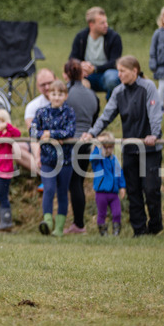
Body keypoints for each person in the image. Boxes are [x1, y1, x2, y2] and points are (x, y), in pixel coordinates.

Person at [81, 56, 163, 237]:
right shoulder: (118, 92)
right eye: (118, 71)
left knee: (150, 189)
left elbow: (155, 112)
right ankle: (139, 230)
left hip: (149, 149)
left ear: (134, 70)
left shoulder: (148, 87)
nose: (119, 75)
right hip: (130, 149)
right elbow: (106, 115)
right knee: (133, 190)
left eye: (122, 71)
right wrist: (92, 133)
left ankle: (155, 225)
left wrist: (154, 134)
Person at [30, 80, 76, 237]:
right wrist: (44, 135)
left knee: (63, 192)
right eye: (54, 94)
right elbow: (33, 130)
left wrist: (51, 134)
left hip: (66, 160)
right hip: (47, 160)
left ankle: (60, 228)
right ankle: (48, 221)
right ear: (48, 95)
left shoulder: (69, 113)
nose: (56, 97)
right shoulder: (41, 112)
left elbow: (69, 131)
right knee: (48, 189)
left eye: (60, 94)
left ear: (65, 96)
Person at [63, 58, 99, 235]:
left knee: (73, 183)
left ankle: (78, 224)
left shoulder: (67, 93)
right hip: (87, 141)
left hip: (71, 142)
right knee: (79, 181)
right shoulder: (91, 94)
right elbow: (95, 116)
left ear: (67, 74)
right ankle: (78, 223)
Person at [69, 6, 122, 95]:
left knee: (112, 78)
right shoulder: (81, 37)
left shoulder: (114, 37)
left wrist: (95, 69)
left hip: (107, 72)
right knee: (73, 80)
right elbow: (72, 58)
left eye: (106, 22)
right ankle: (88, 106)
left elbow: (115, 62)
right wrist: (81, 65)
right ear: (91, 24)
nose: (106, 25)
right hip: (87, 74)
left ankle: (112, 106)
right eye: (102, 23)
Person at [89, 139, 126, 236]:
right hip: (101, 193)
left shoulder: (114, 160)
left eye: (110, 147)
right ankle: (103, 231)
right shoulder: (98, 161)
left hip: (114, 193)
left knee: (117, 212)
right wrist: (98, 147)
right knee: (102, 214)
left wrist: (122, 186)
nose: (108, 150)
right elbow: (92, 158)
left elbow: (119, 173)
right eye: (105, 147)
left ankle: (116, 231)